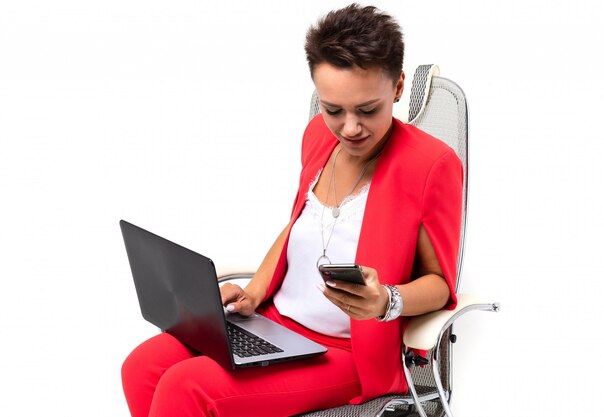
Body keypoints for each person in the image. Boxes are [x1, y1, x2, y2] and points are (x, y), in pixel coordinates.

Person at [121, 4, 463, 417]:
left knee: (188, 388)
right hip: (274, 325)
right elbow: (299, 224)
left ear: (397, 87)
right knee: (141, 367)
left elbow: (440, 284)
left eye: (367, 110)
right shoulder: (318, 136)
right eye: (333, 108)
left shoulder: (431, 166)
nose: (349, 128)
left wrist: (386, 301)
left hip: (344, 351)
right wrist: (254, 293)